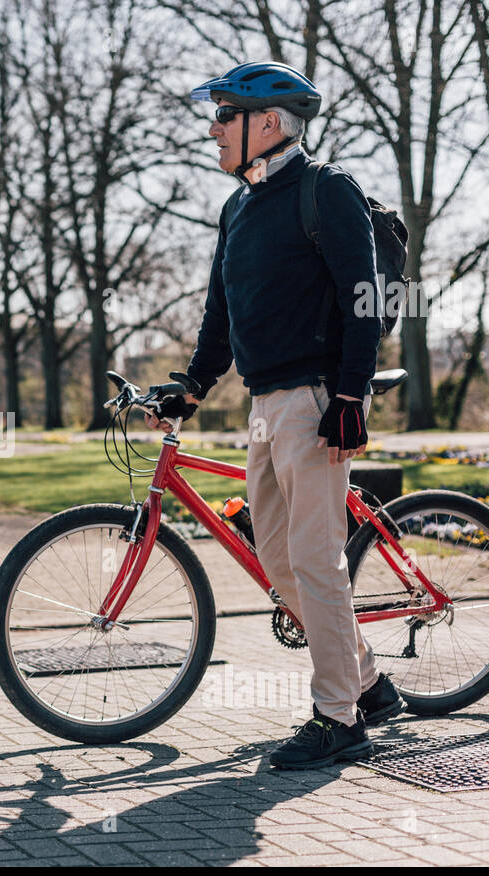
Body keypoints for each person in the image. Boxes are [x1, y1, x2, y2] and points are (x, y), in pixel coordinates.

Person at [145, 61, 404, 770]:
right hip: (265, 402)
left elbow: (362, 299)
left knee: (316, 561)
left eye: (223, 115)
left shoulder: (326, 190)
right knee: (279, 562)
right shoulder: (238, 208)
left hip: (317, 398)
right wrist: (192, 385)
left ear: (266, 123)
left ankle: (340, 720)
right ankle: (370, 683)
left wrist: (350, 396)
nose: (212, 129)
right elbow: (221, 314)